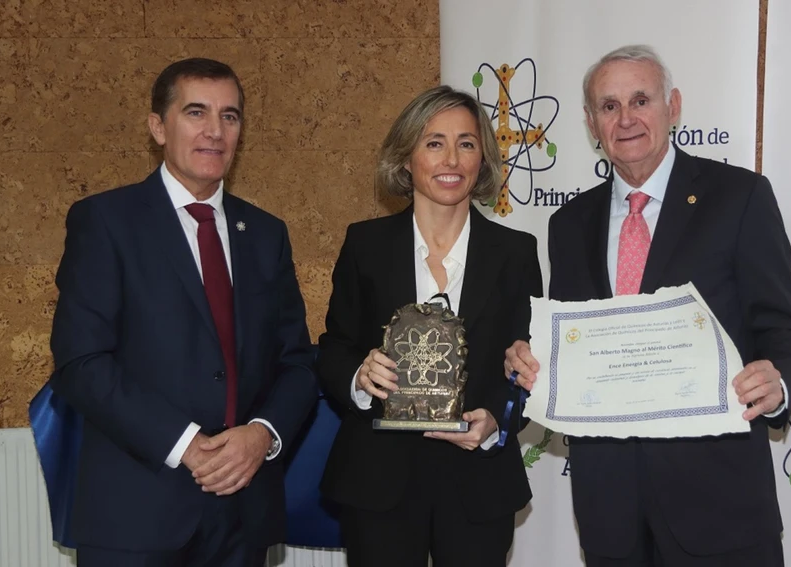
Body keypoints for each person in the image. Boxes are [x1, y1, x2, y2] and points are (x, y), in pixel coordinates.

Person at [504, 45, 791, 567]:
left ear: (672, 106)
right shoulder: (569, 224)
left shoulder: (739, 197)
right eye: (608, 106)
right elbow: (574, 343)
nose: (625, 118)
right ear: (590, 122)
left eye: (640, 100)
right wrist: (533, 361)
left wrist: (779, 380)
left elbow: (783, 329)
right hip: (609, 510)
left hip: (719, 501)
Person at [48, 57, 318, 567]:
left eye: (230, 116)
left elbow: (297, 363)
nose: (215, 131)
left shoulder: (265, 234)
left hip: (243, 512)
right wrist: (188, 443)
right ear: (157, 127)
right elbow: (80, 362)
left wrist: (262, 434)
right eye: (196, 112)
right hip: (135, 511)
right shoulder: (105, 222)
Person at [317, 85, 542, 567]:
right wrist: (359, 376)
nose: (451, 159)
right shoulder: (365, 245)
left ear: (482, 160)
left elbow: (527, 366)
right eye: (434, 142)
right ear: (406, 158)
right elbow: (334, 347)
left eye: (466, 143)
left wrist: (496, 422)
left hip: (477, 481)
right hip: (378, 479)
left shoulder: (517, 253)